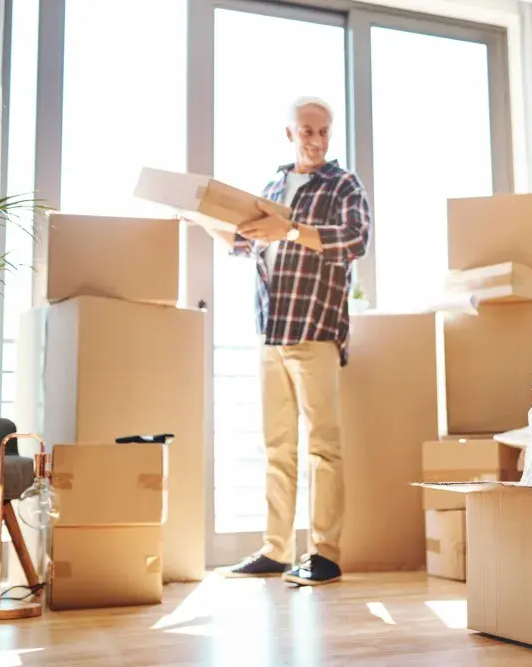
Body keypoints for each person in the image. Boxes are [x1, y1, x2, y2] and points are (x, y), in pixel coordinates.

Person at [205, 96, 371, 586]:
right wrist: (199, 218)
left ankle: (324, 553)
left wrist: (293, 230)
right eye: (307, 131)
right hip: (270, 333)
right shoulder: (273, 186)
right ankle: (276, 550)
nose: (316, 141)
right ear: (289, 134)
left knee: (323, 447)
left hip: (314, 329)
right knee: (277, 447)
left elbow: (355, 239)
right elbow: (243, 243)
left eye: (323, 132)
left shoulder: (343, 184)